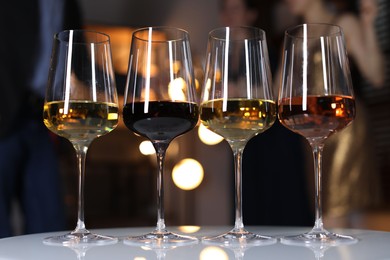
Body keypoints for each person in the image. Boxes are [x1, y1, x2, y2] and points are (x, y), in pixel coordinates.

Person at [282, 0, 385, 226]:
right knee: (322, 210)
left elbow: (376, 75)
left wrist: (368, 24)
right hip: (309, 132)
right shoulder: (294, 36)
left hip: (344, 128)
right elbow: (277, 91)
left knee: (335, 209)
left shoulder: (343, 23)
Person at [219, 0, 313, 226]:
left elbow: (277, 91)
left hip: (274, 137)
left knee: (280, 197)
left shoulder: (265, 48)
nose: (229, 15)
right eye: (225, 9)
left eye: (235, 8)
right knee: (248, 195)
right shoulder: (223, 55)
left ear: (251, 14)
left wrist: (238, 91)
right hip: (242, 137)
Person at [0, 0, 81, 237]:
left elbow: (82, 60)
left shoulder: (69, 4)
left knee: (50, 223)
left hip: (42, 119)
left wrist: (136, 80)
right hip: (5, 112)